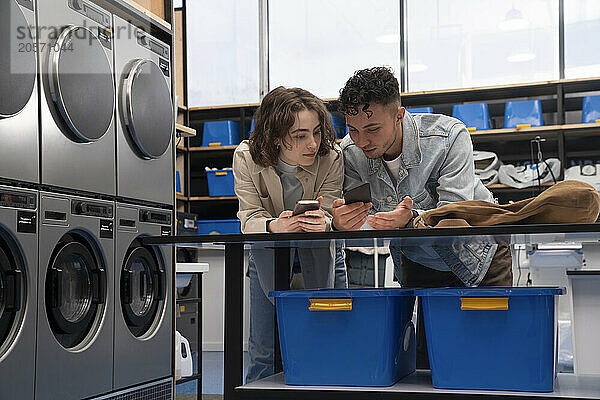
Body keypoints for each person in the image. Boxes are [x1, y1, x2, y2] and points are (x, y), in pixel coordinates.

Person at [332, 66, 512, 368]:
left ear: (399, 115)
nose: (362, 141)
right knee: (430, 367)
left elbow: (455, 213)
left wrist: (411, 219)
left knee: (487, 362)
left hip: (479, 258)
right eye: (353, 129)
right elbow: (361, 213)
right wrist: (341, 221)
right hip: (418, 264)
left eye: (373, 129)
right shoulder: (349, 153)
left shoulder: (448, 136)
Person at [233, 86, 346, 383]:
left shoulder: (331, 156)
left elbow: (332, 208)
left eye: (317, 132)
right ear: (274, 137)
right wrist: (273, 225)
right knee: (264, 349)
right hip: (267, 253)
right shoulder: (246, 157)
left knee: (327, 337)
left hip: (322, 253)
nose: (313, 143)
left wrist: (326, 221)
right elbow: (248, 217)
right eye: (300, 135)